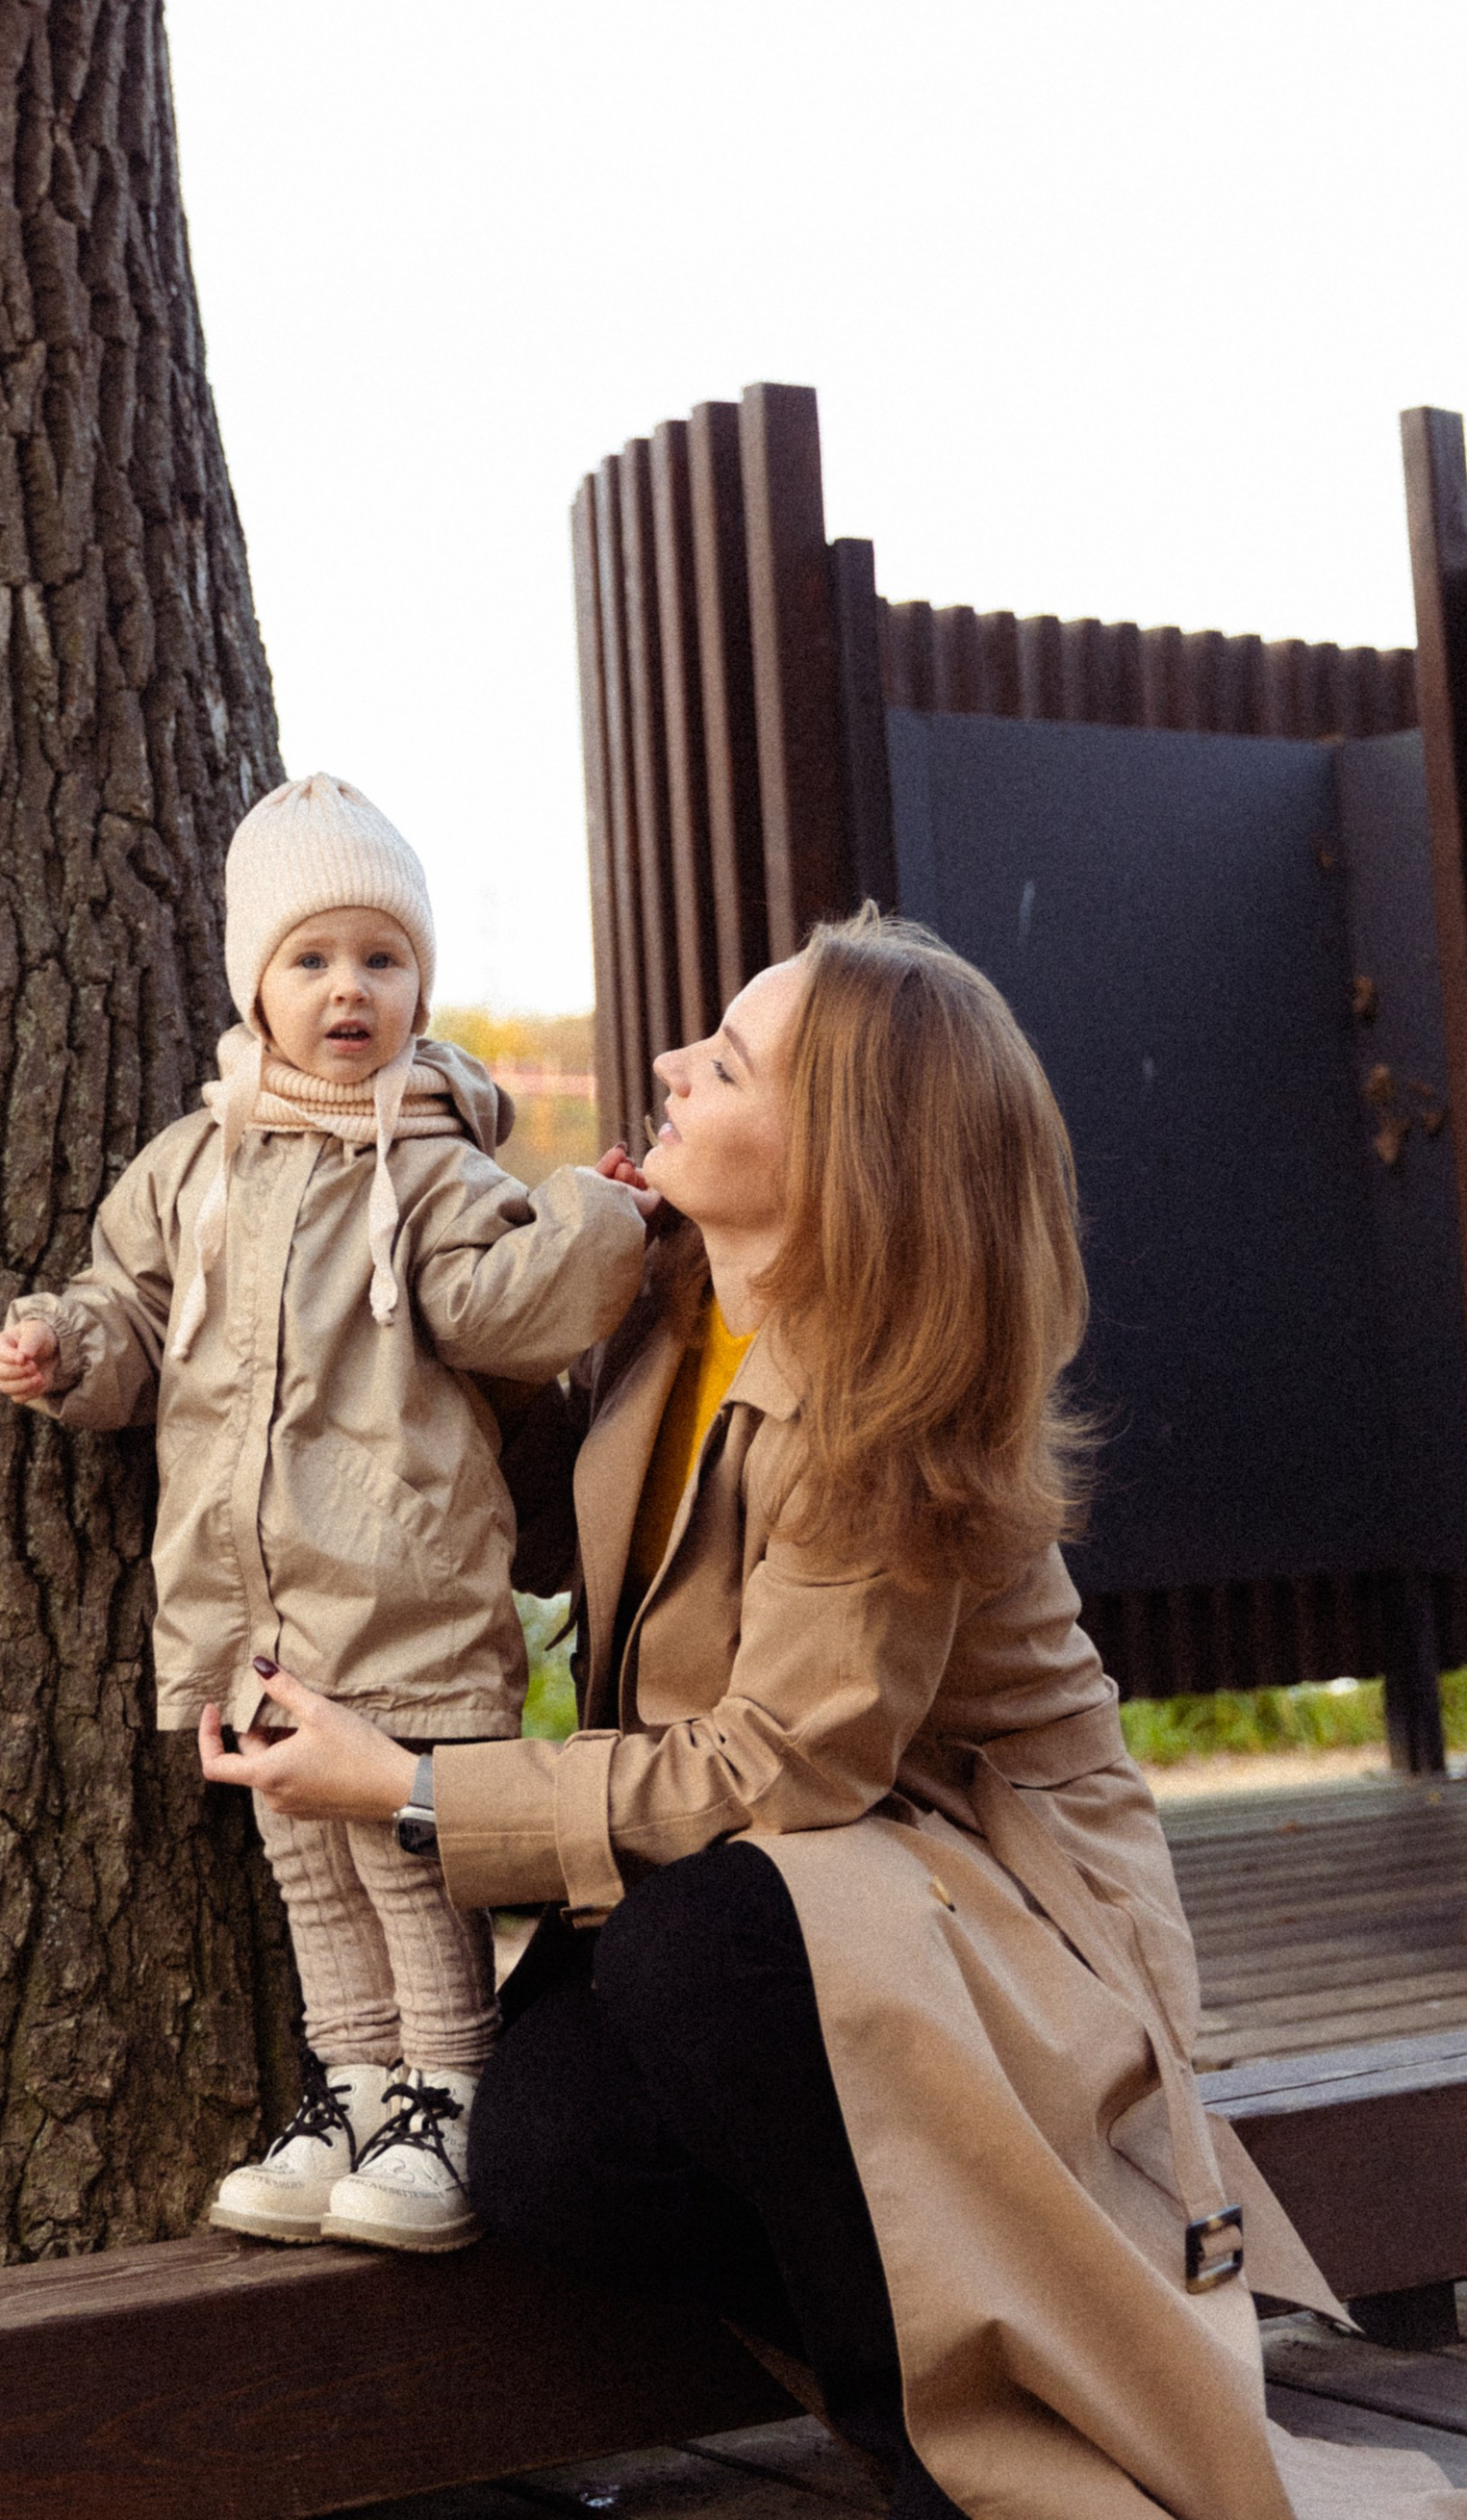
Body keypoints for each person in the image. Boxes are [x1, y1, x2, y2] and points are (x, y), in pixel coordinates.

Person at [201, 909, 1453, 2520]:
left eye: (720, 1063)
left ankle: (966, 2461)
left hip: (989, 1900)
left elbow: (782, 1764)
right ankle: (1026, 2344)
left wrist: (410, 1785)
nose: (665, 1064)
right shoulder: (666, 1285)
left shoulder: (899, 1395)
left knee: (687, 1948)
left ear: (838, 1156)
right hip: (794, 1881)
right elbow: (506, 1515)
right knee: (547, 2152)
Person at [0, 772, 648, 2254]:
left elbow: (501, 1309)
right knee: (304, 1860)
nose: (348, 990)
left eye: (382, 959)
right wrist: (67, 1350)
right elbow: (133, 1311)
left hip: (398, 1590)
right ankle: (355, 2085)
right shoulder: (193, 1165)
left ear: (420, 985)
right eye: (312, 959)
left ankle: (451, 2094)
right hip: (245, 1601)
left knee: (408, 1862)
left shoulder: (426, 1164)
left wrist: (598, 1222)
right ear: (255, 983)